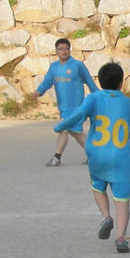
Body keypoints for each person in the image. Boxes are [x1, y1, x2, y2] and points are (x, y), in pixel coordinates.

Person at [54, 62, 130, 253]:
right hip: (120, 157)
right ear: (121, 83)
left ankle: (106, 216)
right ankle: (121, 237)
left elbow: (78, 115)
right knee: (122, 199)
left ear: (100, 82)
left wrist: (61, 126)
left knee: (98, 187)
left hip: (97, 154)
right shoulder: (127, 102)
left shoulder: (93, 98)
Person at [33, 38, 98, 166]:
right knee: (75, 132)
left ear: (70, 50)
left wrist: (99, 97)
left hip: (77, 107)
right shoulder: (54, 67)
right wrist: (39, 91)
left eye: (66, 48)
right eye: (61, 49)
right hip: (63, 106)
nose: (64, 51)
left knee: (64, 129)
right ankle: (94, 155)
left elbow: (90, 82)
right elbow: (47, 82)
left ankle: (57, 158)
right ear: (56, 51)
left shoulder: (78, 65)